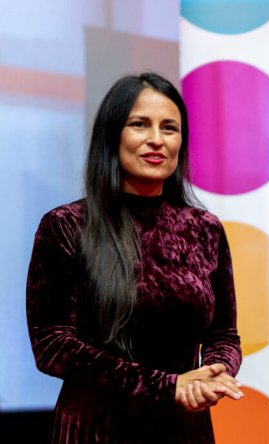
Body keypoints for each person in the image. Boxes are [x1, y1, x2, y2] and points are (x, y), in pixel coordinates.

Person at [26, 72, 243, 443]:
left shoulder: (204, 228)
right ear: (113, 135)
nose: (156, 139)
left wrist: (215, 370)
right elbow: (52, 345)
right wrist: (168, 386)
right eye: (140, 124)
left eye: (169, 128)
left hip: (184, 431)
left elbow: (224, 334)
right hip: (94, 430)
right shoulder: (66, 225)